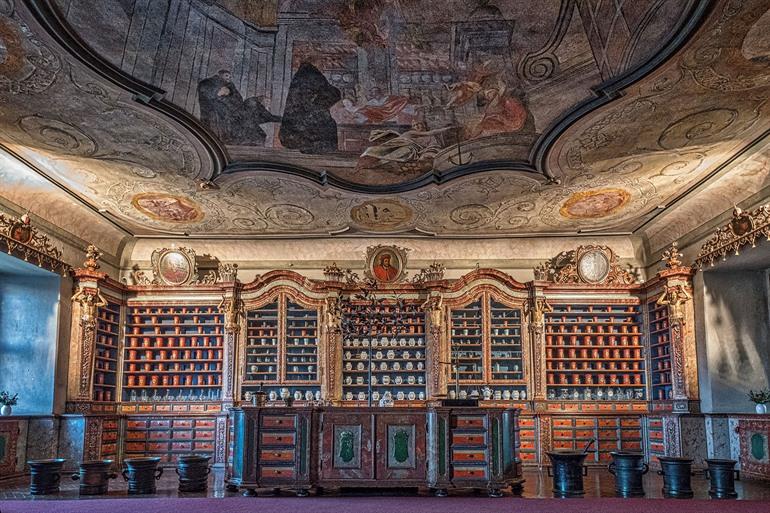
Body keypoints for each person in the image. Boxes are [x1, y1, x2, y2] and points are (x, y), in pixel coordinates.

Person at [197, 70, 281, 145]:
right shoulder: (208, 82)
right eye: (226, 76)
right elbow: (206, 92)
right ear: (219, 75)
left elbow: (238, 100)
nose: (229, 78)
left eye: (230, 76)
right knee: (253, 133)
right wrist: (218, 92)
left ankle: (272, 118)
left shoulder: (230, 85)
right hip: (223, 117)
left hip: (236, 113)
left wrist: (258, 99)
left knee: (252, 105)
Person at [280, 62, 341, 154]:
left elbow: (333, 94)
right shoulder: (311, 74)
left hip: (297, 129)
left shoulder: (302, 78)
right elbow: (333, 94)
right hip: (303, 124)